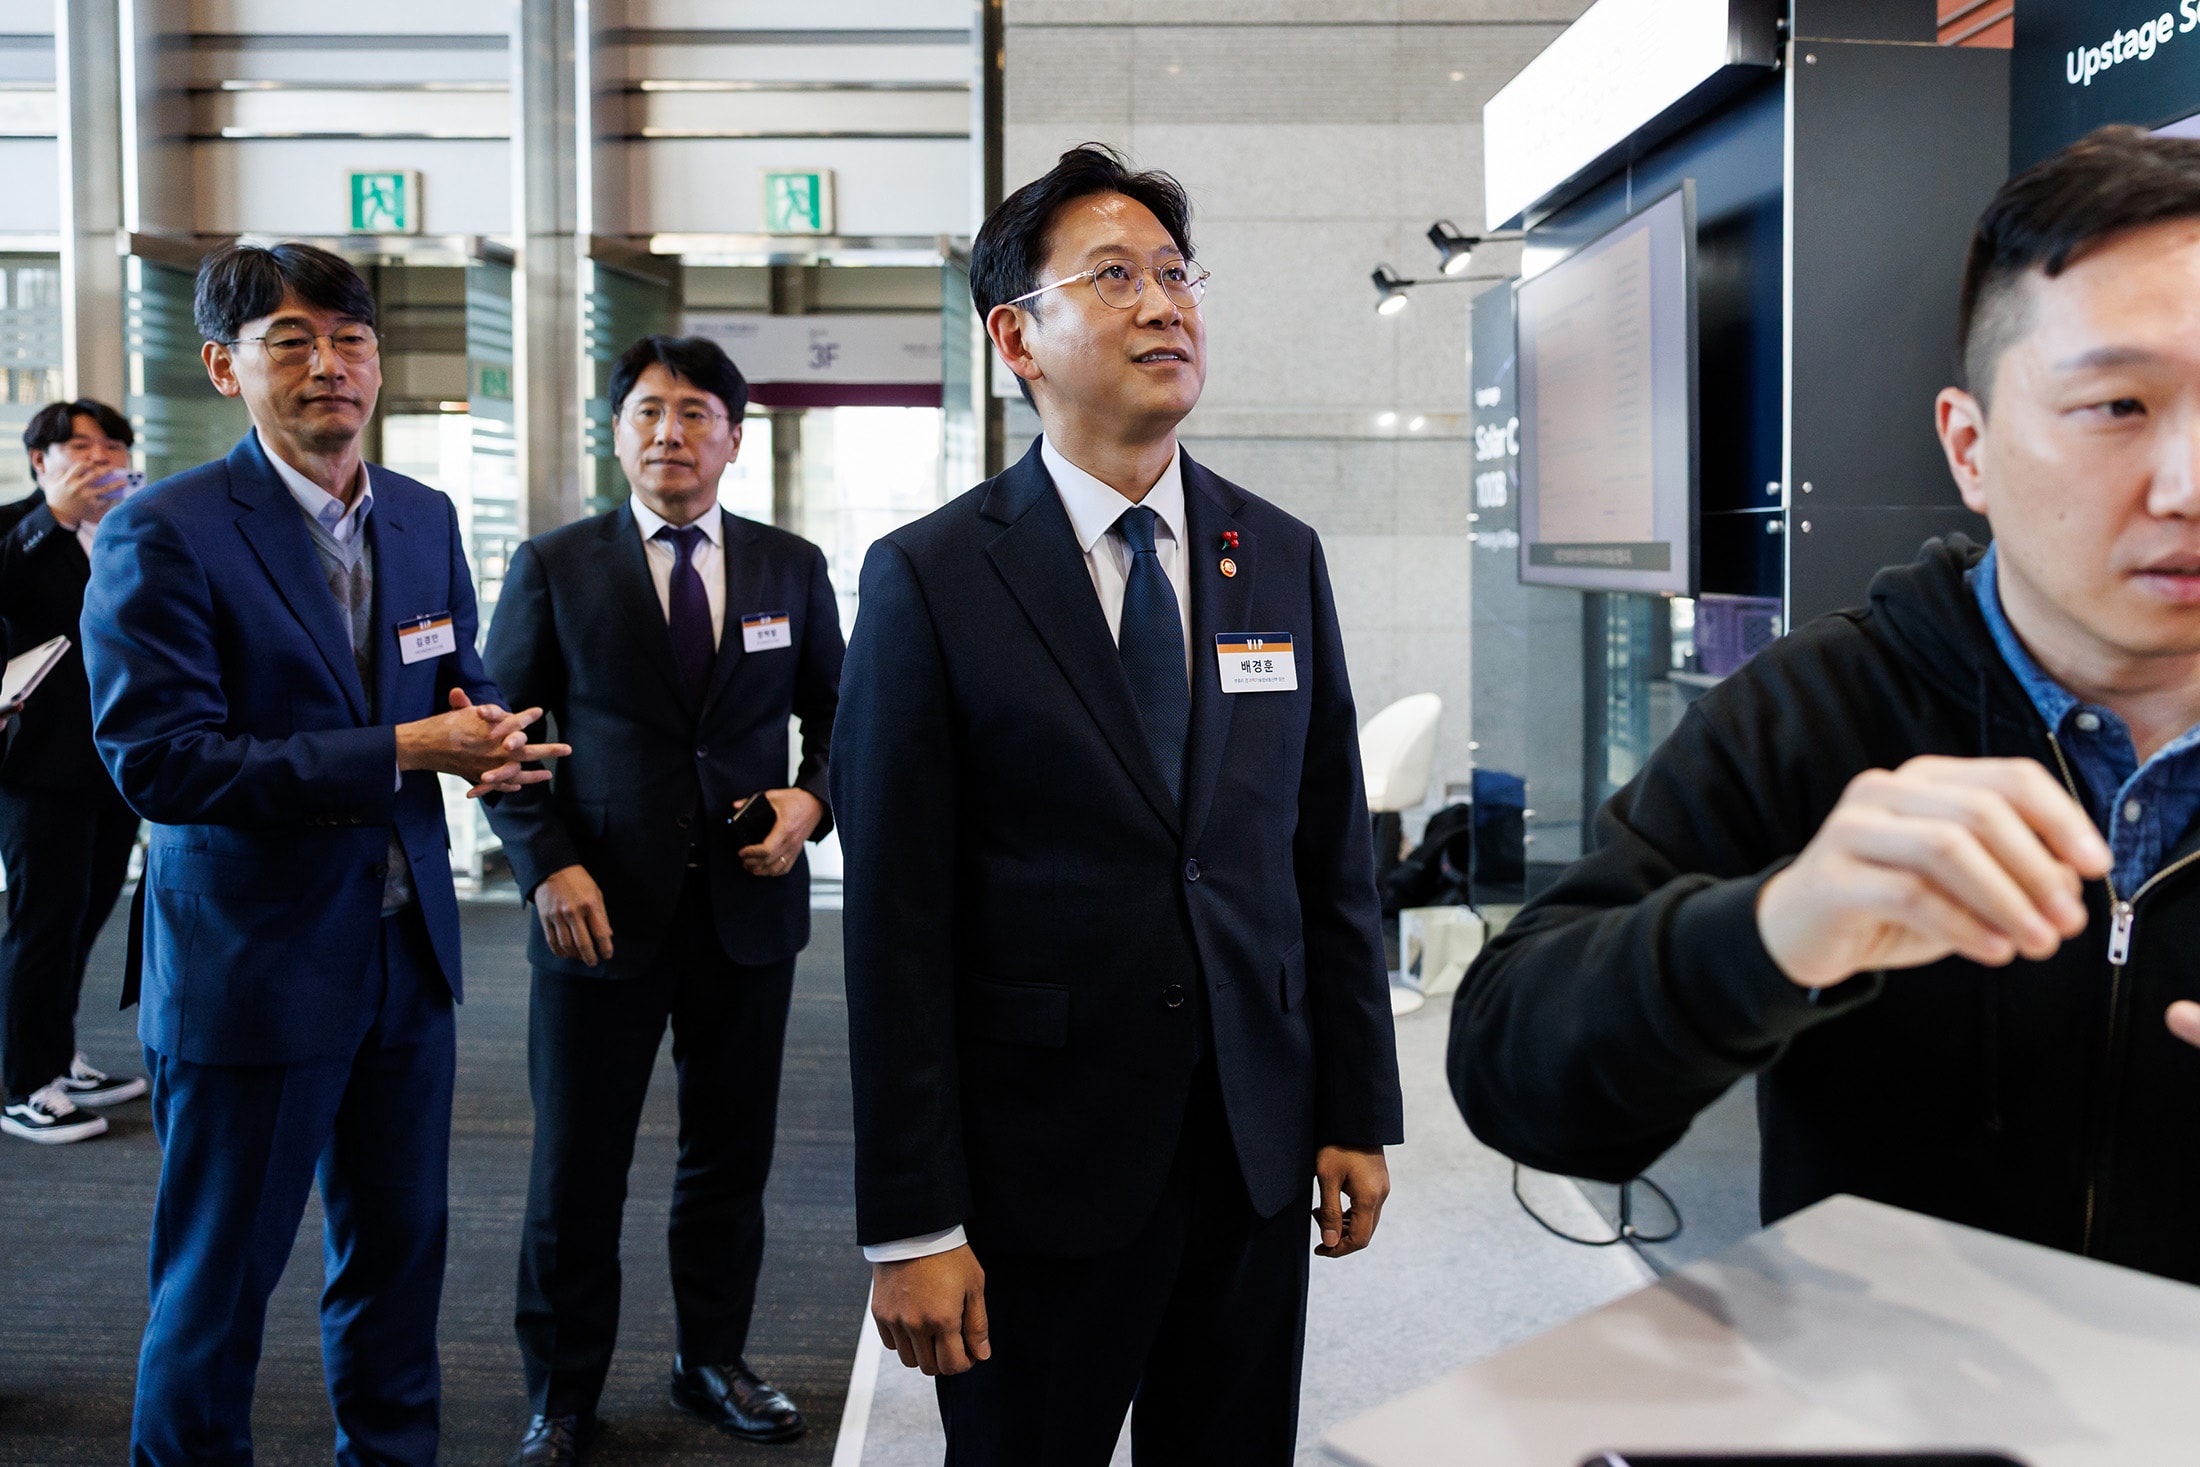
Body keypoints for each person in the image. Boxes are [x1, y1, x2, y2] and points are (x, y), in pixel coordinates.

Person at [1448, 125, 2200, 1284]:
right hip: (1886, 1411)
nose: (2187, 484)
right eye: (2116, 406)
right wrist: (1777, 930)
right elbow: (1518, 1082)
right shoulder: (1816, 714)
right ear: (1970, 446)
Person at [831, 144, 1404, 1463]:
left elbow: (1325, 860)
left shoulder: (1277, 557)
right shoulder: (932, 578)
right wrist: (914, 1222)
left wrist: (1349, 1103)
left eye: (1175, 272)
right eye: (1113, 276)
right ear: (1015, 337)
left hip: (1252, 1159)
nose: (1163, 303)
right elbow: (896, 923)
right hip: (1036, 1173)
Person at [80, 241, 566, 1466]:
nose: (328, 368)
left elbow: (455, 676)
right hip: (250, 966)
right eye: (288, 342)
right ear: (222, 366)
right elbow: (164, 763)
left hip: (408, 958)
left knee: (399, 1270)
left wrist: (493, 736)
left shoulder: (421, 512)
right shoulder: (166, 533)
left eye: (349, 341)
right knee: (216, 1288)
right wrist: (407, 746)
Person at [483, 334, 842, 1465]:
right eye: (645, 412)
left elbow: (844, 723)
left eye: (694, 414)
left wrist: (810, 804)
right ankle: (562, 1391)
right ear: (616, 430)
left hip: (748, 910)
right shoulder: (556, 563)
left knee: (728, 1162)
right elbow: (504, 740)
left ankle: (712, 1360)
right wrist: (546, 861)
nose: (669, 434)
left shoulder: (791, 564)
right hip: (596, 913)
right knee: (576, 1168)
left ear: (736, 436)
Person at [0, 400, 147, 1144]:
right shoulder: (17, 529)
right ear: (40, 460)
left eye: (113, 443)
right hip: (38, 764)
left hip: (118, 760)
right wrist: (51, 518)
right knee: (41, 923)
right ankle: (24, 1082)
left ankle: (57, 1057)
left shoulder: (133, 529)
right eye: (79, 445)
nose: (101, 456)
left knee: (86, 914)